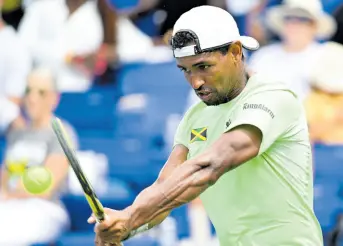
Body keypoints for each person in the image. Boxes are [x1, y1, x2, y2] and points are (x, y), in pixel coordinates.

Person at [88, 5, 323, 246]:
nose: (195, 82)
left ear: (235, 51)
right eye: (185, 70)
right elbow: (166, 186)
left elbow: (210, 166)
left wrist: (131, 218)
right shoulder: (195, 117)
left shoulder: (274, 97)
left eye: (203, 66)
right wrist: (122, 226)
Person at [0, 67, 78, 245]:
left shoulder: (61, 131)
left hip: (45, 209)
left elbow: (45, 189)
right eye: (28, 91)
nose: (32, 98)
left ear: (54, 98)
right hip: (9, 205)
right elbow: (3, 180)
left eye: (41, 92)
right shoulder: (16, 134)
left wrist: (10, 194)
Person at [248, 0, 336, 101]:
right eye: (289, 18)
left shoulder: (328, 55)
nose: (294, 24)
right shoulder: (263, 56)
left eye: (303, 19)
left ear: (315, 26)